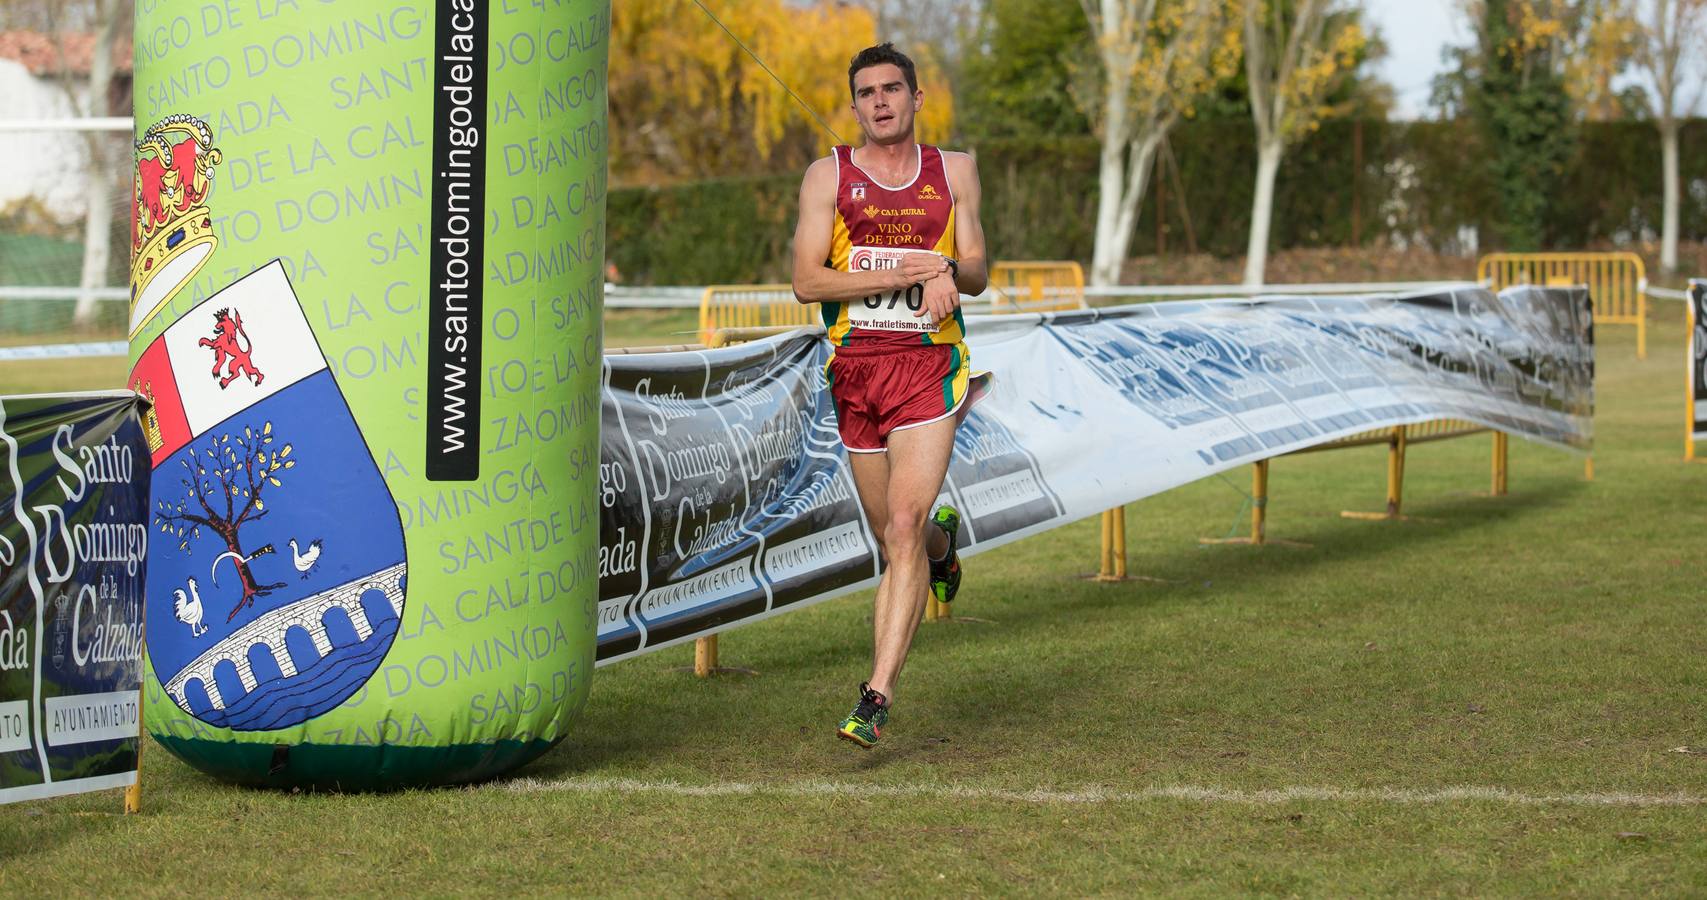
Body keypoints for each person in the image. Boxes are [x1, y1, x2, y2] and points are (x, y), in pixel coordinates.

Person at [790, 42, 988, 748]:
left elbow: (977, 271)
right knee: (897, 534)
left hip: (927, 365)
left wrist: (944, 268)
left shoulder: (953, 170)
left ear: (915, 97)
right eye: (866, 92)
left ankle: (874, 696)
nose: (879, 101)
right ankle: (944, 546)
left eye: (891, 88)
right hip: (856, 370)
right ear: (854, 107)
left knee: (899, 527)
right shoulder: (828, 176)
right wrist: (904, 270)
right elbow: (808, 281)